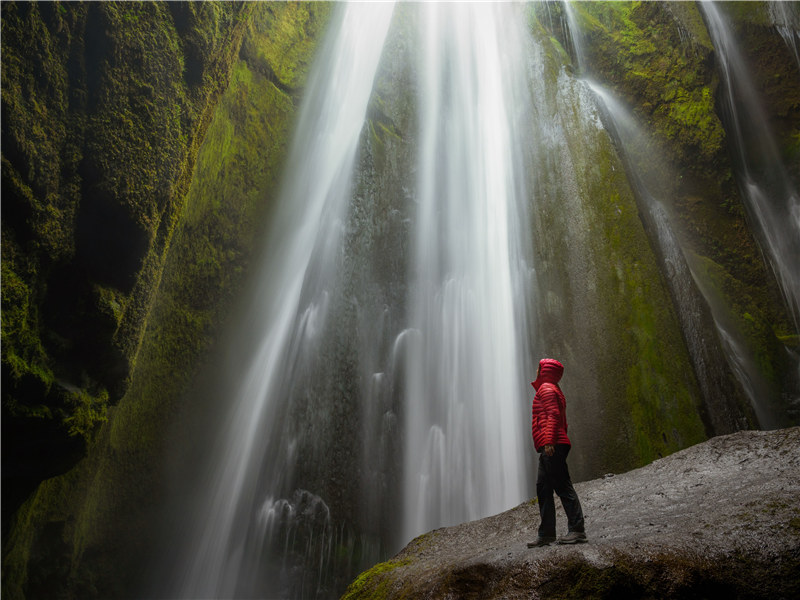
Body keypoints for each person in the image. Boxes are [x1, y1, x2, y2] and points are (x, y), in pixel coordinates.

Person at [527, 358, 587, 547]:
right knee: (543, 488)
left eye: (539, 367)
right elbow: (562, 420)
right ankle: (546, 533)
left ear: (545, 371)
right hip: (552, 444)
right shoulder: (554, 389)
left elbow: (552, 416)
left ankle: (577, 530)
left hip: (552, 445)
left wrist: (550, 441)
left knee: (562, 485)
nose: (536, 370)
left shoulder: (546, 389)